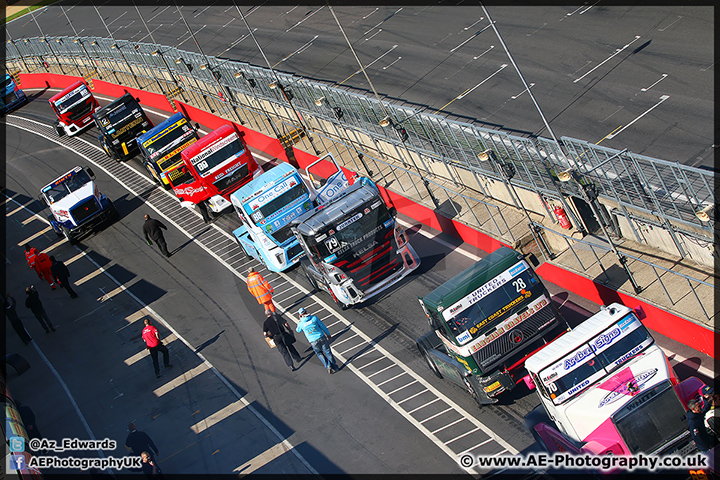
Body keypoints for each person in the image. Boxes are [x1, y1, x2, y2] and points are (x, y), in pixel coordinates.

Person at [296, 307, 338, 374]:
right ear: (306, 312)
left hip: (313, 341)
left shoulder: (301, 324)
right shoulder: (314, 318)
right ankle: (335, 366)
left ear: (300, 315)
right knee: (327, 351)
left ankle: (328, 365)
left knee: (319, 353)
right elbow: (322, 326)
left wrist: (300, 320)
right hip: (321, 337)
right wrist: (328, 334)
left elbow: (298, 330)